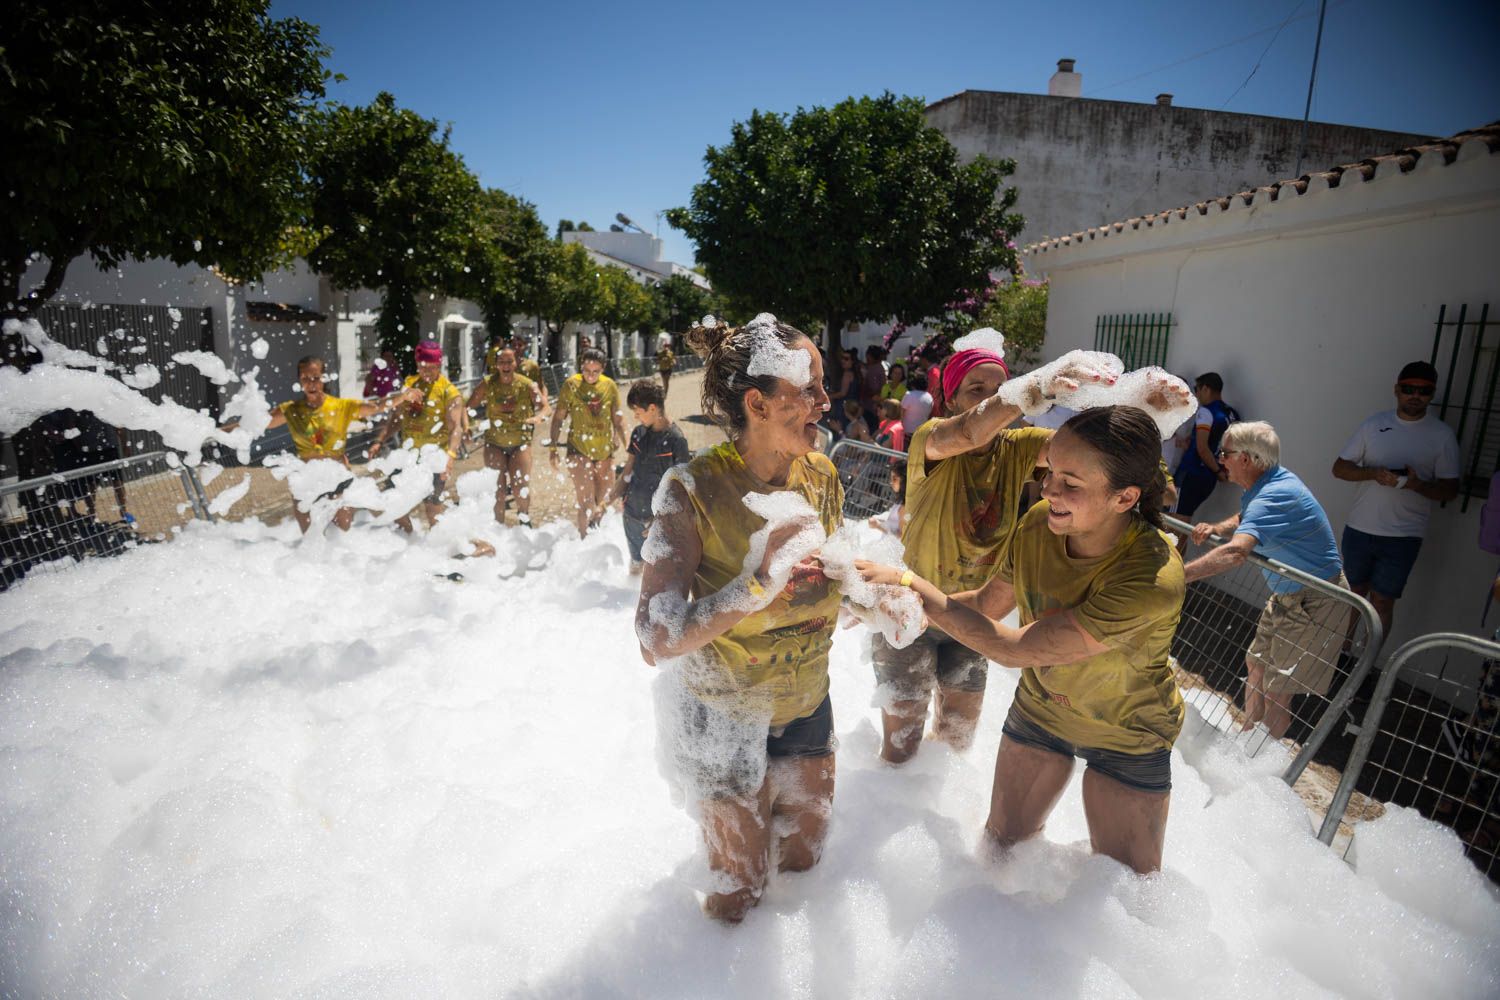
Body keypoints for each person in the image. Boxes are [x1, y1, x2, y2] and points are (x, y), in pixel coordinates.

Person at [857, 405, 1185, 874]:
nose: (1050, 488)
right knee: (1000, 857)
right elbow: (989, 604)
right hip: (1041, 710)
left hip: (1127, 734)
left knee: (1121, 891)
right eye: (1051, 472)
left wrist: (911, 586)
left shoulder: (1151, 579)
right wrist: (894, 604)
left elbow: (1012, 648)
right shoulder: (1037, 523)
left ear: (1125, 497)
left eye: (1072, 483)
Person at [635, 314, 842, 924]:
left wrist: (871, 594)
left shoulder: (822, 474)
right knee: (740, 893)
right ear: (758, 402)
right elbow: (655, 637)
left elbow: (822, 581)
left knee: (804, 869)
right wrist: (755, 584)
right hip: (719, 712)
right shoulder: (691, 490)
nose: (826, 402)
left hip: (806, 701)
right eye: (809, 389)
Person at [1184, 421, 1349, 739]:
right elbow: (1247, 517)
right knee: (1256, 666)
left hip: (1315, 599)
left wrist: (1181, 576)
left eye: (1224, 453)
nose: (1220, 459)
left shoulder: (1276, 493)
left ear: (1245, 459)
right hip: (1289, 595)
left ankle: (1258, 768)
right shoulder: (1261, 486)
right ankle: (1245, 742)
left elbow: (1236, 554)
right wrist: (1219, 528)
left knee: (1278, 690)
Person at [1331, 360, 1460, 637]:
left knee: (1383, 603)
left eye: (1423, 391)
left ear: (1432, 394)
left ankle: (1365, 665)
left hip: (1403, 536)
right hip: (1360, 529)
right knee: (1353, 596)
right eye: (1408, 388)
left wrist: (1415, 485)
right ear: (1396, 390)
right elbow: (1339, 468)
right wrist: (1373, 473)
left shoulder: (1442, 436)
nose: (1415, 395)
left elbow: (1449, 490)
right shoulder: (1374, 425)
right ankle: (1339, 658)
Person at [228, 355, 417, 532]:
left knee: (340, 540)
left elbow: (377, 406)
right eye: (305, 378)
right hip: (306, 484)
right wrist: (212, 432)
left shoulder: (341, 406)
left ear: (324, 378)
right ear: (299, 381)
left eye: (316, 378)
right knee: (314, 546)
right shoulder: (291, 410)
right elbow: (256, 423)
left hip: (337, 480)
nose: (311, 383)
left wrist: (403, 396)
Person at [369, 340, 464, 532]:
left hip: (435, 458)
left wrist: (451, 457)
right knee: (393, 501)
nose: (426, 372)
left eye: (431, 368)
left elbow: (456, 428)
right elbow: (396, 419)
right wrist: (379, 441)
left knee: (432, 507)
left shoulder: (448, 391)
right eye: (421, 367)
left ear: (439, 365)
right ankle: (409, 541)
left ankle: (442, 546)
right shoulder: (410, 384)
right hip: (408, 456)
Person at [599, 379, 690, 573]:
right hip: (631, 514)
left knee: (655, 574)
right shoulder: (638, 434)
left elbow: (682, 491)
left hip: (656, 521)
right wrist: (607, 501)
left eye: (638, 412)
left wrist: (661, 523)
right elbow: (627, 472)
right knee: (635, 568)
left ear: (652, 408)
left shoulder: (676, 440)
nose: (635, 417)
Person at [549, 347, 626, 537]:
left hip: (605, 452)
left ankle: (597, 544)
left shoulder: (609, 386)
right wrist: (553, 447)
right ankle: (584, 544)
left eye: (596, 372)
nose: (590, 376)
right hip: (578, 450)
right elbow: (558, 418)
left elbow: (618, 419)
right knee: (586, 502)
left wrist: (628, 446)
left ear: (603, 369)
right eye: (586, 371)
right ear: (581, 367)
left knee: (603, 502)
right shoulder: (571, 385)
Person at [466, 347, 545, 527]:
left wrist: (540, 416)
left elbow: (546, 407)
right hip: (494, 443)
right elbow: (468, 407)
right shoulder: (488, 383)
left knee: (520, 489)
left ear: (516, 363)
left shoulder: (526, 384)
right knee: (497, 491)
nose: (506, 365)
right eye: (501, 362)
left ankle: (524, 519)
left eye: (509, 362)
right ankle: (498, 528)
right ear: (496, 364)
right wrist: (466, 426)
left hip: (520, 443)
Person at [1173, 371, 1239, 520]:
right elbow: (1228, 447)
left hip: (1191, 473)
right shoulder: (1231, 414)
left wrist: (1217, 471)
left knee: (1175, 521)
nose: (1196, 394)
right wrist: (1221, 470)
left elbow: (1202, 448)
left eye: (1197, 389)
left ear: (1206, 389)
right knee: (1184, 519)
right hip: (1208, 479)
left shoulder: (1206, 411)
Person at [869, 464, 906, 537]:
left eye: (894, 479)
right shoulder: (900, 501)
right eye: (891, 479)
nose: (891, 482)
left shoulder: (904, 507)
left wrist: (878, 525)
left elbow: (901, 537)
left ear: (904, 480)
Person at [827, 349, 858, 434]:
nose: (843, 361)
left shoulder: (847, 374)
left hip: (843, 407)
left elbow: (843, 393)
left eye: (846, 359)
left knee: (838, 430)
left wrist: (829, 396)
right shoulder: (856, 373)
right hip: (852, 406)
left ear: (852, 361)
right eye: (842, 358)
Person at [900, 371, 934, 438]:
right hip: (921, 433)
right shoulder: (930, 397)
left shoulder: (909, 395)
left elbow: (901, 413)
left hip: (906, 431)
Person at [657, 333, 676, 398]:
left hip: (668, 369)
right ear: (663, 346)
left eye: (667, 346)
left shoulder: (670, 353)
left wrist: (673, 362)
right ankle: (665, 391)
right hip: (662, 369)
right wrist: (662, 359)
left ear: (669, 346)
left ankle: (665, 392)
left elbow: (673, 360)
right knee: (664, 381)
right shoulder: (660, 353)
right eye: (665, 346)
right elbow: (658, 360)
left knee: (666, 381)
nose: (666, 347)